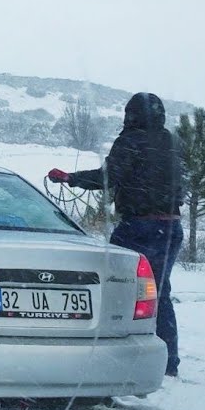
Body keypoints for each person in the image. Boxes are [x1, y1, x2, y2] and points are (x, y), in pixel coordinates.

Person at [47, 92, 184, 376]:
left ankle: (108, 353)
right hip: (171, 227)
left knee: (113, 288)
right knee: (159, 293)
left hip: (138, 227)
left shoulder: (131, 140)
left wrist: (70, 178)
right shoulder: (170, 141)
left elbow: (108, 178)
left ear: (130, 115)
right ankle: (168, 361)